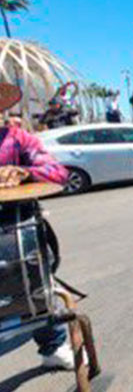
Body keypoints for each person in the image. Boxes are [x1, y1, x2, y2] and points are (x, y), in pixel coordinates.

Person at [0, 83, 74, 370]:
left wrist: (25, 172)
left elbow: (57, 172)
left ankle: (52, 345)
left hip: (14, 229)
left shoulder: (17, 138)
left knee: (37, 283)